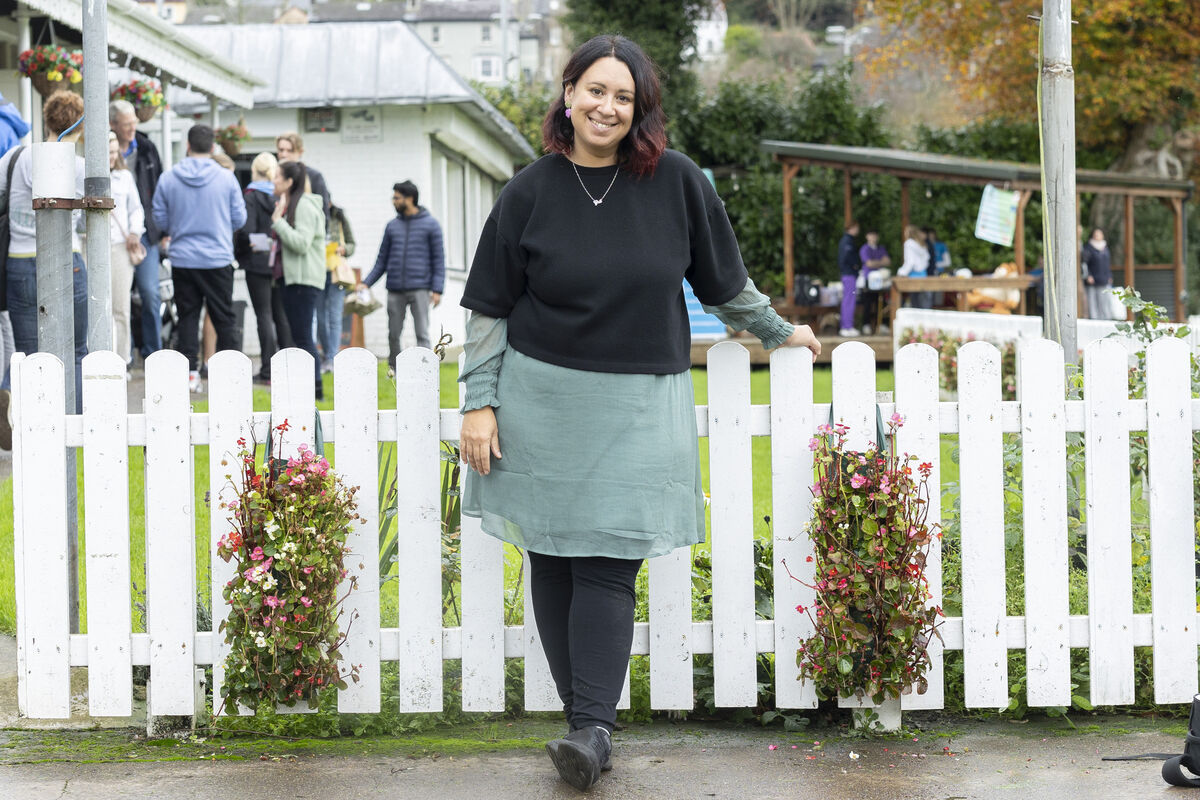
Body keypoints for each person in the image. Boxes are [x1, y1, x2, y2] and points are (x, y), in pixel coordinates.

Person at [456, 34, 821, 792]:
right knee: (552, 557)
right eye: (595, 90)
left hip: (638, 402)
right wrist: (479, 405)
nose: (607, 107)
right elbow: (489, 309)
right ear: (568, 96)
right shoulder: (527, 191)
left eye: (623, 97)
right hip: (541, 398)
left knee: (607, 561)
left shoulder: (677, 182)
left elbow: (725, 282)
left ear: (640, 109)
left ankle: (592, 728)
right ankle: (585, 728)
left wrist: (781, 331)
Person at [0, 90, 87, 448]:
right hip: (67, 260)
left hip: (19, 262)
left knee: (27, 350)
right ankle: (73, 423)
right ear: (79, 125)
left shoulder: (16, 156)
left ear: (47, 119)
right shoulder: (80, 165)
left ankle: (13, 400)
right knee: (77, 349)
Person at [152, 124, 247, 391]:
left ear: (188, 146)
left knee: (188, 317)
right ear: (213, 147)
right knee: (224, 317)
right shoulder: (226, 179)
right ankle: (231, 374)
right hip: (217, 258)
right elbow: (239, 218)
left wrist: (177, 227)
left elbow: (159, 217)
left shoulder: (168, 179)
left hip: (183, 258)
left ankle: (190, 375)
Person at [359, 181, 444, 363]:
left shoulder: (431, 225)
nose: (393, 201)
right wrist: (366, 283)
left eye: (397, 198)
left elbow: (439, 259)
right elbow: (381, 260)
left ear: (410, 198)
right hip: (395, 289)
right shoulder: (392, 226)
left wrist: (437, 290)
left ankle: (425, 370)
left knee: (422, 333)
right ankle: (394, 370)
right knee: (393, 334)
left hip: (420, 289)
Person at [110, 99, 165, 360]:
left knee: (150, 293)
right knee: (119, 299)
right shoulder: (104, 152)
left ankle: (153, 353)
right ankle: (125, 355)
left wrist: (162, 227)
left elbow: (159, 186)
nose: (132, 128)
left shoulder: (146, 148)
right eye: (126, 124)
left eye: (134, 123)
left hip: (145, 234)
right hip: (115, 239)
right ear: (113, 125)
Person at [271, 160, 327, 401]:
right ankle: (307, 389)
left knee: (303, 337)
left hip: (303, 280)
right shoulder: (291, 204)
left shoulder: (303, 206)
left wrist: (278, 222)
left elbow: (302, 243)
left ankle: (316, 390)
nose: (273, 181)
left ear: (289, 182)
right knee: (299, 336)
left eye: (277, 177)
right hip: (293, 279)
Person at [235, 151, 292, 383]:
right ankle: (289, 366)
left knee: (264, 315)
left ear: (254, 171)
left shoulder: (249, 197)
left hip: (257, 264)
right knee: (282, 315)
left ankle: (268, 370)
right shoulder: (282, 196)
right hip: (280, 262)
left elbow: (245, 231)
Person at [0, 91, 28, 451]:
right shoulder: (12, 126)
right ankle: (6, 389)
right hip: (11, 242)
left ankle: (5, 390)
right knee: (5, 323)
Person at [108, 131, 146, 374]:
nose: (112, 156)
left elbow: (136, 209)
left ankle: (122, 361)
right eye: (108, 152)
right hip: (90, 246)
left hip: (120, 248)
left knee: (121, 306)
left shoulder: (124, 177)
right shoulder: (82, 176)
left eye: (114, 152)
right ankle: (99, 357)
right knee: (96, 305)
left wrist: (134, 232)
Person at [319, 203, 355, 371]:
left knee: (334, 316)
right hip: (317, 272)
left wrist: (343, 249)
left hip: (336, 273)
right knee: (320, 317)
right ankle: (326, 354)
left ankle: (332, 358)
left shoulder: (339, 218)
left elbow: (352, 244)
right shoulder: (314, 216)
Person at [275, 132, 330, 224]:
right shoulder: (274, 176)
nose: (284, 154)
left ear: (300, 152)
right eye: (281, 150)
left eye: (290, 150)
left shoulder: (314, 176)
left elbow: (323, 213)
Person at [857, 229, 891, 334]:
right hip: (868, 279)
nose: (873, 237)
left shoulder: (881, 248)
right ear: (867, 236)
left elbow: (888, 262)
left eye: (875, 235)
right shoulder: (865, 249)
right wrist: (881, 262)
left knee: (881, 302)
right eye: (871, 235)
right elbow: (869, 264)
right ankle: (866, 325)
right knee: (868, 303)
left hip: (880, 280)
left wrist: (875, 263)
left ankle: (882, 325)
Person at [1081, 227, 1116, 320]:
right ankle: (1094, 320)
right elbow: (1084, 263)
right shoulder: (1088, 248)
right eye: (1096, 234)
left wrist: (1109, 275)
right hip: (1092, 280)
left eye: (1099, 234)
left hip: (1104, 279)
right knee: (1093, 302)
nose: (1097, 236)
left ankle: (1106, 319)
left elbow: (1107, 264)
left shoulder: (1105, 248)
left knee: (1105, 301)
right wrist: (1088, 275)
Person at [837, 220, 861, 336]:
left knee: (848, 299)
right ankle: (847, 326)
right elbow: (847, 257)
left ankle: (847, 326)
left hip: (847, 274)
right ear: (852, 228)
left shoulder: (846, 240)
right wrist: (855, 265)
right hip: (849, 274)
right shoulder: (848, 241)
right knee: (849, 300)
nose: (858, 230)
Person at [898, 224, 932, 309]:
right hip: (923, 274)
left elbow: (910, 262)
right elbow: (927, 260)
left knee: (915, 302)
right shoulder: (921, 243)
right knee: (924, 301)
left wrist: (902, 272)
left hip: (913, 275)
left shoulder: (908, 243)